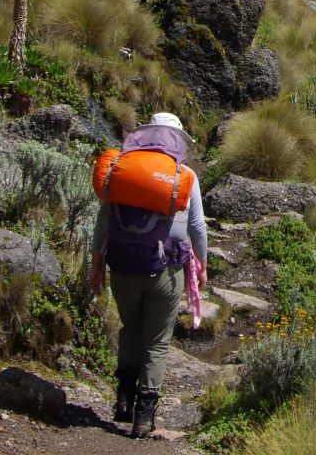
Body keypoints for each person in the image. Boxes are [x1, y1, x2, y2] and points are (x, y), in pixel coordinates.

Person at [89, 112, 208, 439]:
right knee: (157, 341)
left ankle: (123, 400)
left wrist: (96, 265)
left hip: (122, 266)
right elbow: (196, 227)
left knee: (131, 329)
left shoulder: (122, 171)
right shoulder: (184, 175)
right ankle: (144, 418)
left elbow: (102, 223)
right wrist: (202, 263)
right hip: (165, 272)